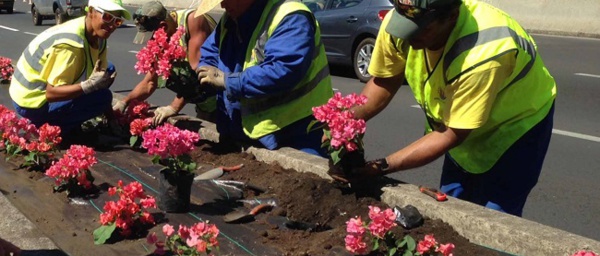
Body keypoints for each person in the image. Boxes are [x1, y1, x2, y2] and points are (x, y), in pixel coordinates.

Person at [347, 0, 557, 217]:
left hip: (515, 127)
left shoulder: (484, 52)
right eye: (404, 25)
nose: (408, 36)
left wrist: (382, 166)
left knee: (495, 218)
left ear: (452, 17)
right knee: (453, 208)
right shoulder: (402, 20)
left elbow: (452, 133)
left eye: (421, 29)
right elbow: (385, 81)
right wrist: (344, 121)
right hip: (459, 120)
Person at [194, 0, 334, 156]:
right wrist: (205, 71)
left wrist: (228, 81)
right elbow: (211, 51)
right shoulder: (231, 19)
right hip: (248, 135)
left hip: (297, 134)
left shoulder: (291, 16)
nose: (222, 5)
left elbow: (283, 70)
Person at [9, 0, 131, 139]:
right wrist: (88, 86)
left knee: (108, 70)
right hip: (30, 103)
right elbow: (51, 94)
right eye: (107, 17)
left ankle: (62, 118)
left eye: (117, 22)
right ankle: (46, 129)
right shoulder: (70, 46)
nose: (111, 26)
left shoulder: (98, 35)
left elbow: (101, 76)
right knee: (103, 98)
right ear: (90, 12)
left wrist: (112, 120)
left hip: (35, 94)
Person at [113, 0, 219, 125]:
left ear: (163, 26)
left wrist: (173, 107)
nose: (151, 42)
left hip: (222, 94)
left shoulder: (193, 20)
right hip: (203, 100)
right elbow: (150, 82)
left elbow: (196, 72)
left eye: (151, 37)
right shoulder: (162, 39)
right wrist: (124, 102)